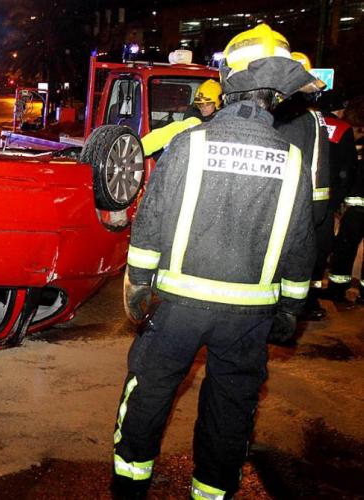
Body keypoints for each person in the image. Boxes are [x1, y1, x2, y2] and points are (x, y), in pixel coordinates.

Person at [113, 23, 317, 500]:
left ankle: (128, 488)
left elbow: (150, 223)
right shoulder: (292, 159)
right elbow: (300, 246)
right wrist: (291, 309)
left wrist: (138, 283)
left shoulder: (190, 144)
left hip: (176, 308)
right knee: (230, 410)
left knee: (149, 395)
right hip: (249, 317)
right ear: (279, 93)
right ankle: (209, 493)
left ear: (226, 81)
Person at [274, 52, 331, 320]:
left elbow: (286, 164)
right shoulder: (313, 114)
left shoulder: (293, 118)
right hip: (311, 203)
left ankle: (285, 308)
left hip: (295, 203)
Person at [319, 90, 363, 303]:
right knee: (339, 245)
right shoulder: (343, 130)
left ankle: (334, 289)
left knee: (342, 245)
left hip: (323, 198)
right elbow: (349, 166)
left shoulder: (312, 124)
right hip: (342, 199)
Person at [141, 79, 222, 156]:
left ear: (217, 103)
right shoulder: (194, 116)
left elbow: (166, 134)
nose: (203, 108)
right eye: (200, 104)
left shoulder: (195, 122)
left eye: (207, 104)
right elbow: (165, 134)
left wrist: (140, 148)